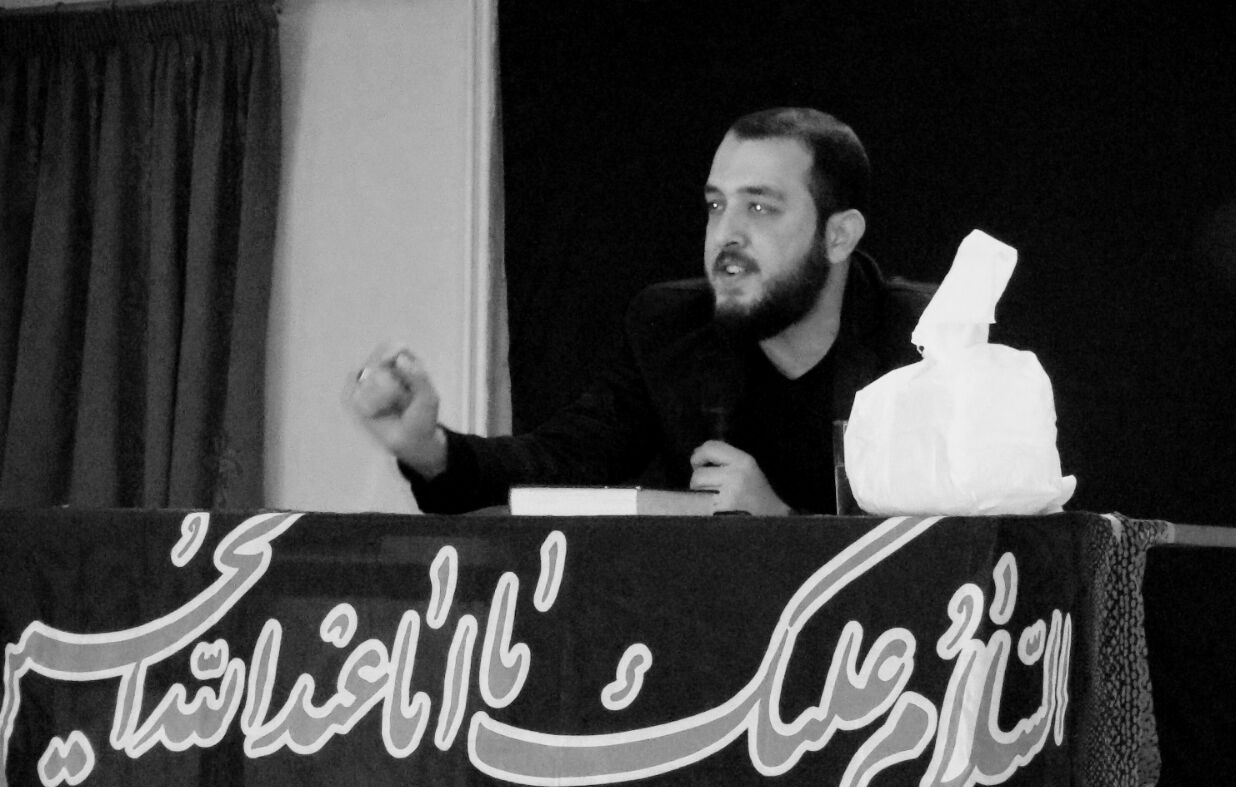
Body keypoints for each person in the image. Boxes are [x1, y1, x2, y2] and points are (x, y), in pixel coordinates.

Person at [347, 107, 934, 515]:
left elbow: (950, 555)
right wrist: (429, 450)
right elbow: (562, 460)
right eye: (716, 205)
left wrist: (782, 526)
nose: (725, 234)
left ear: (838, 236)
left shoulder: (927, 343)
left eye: (759, 207)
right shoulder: (670, 327)